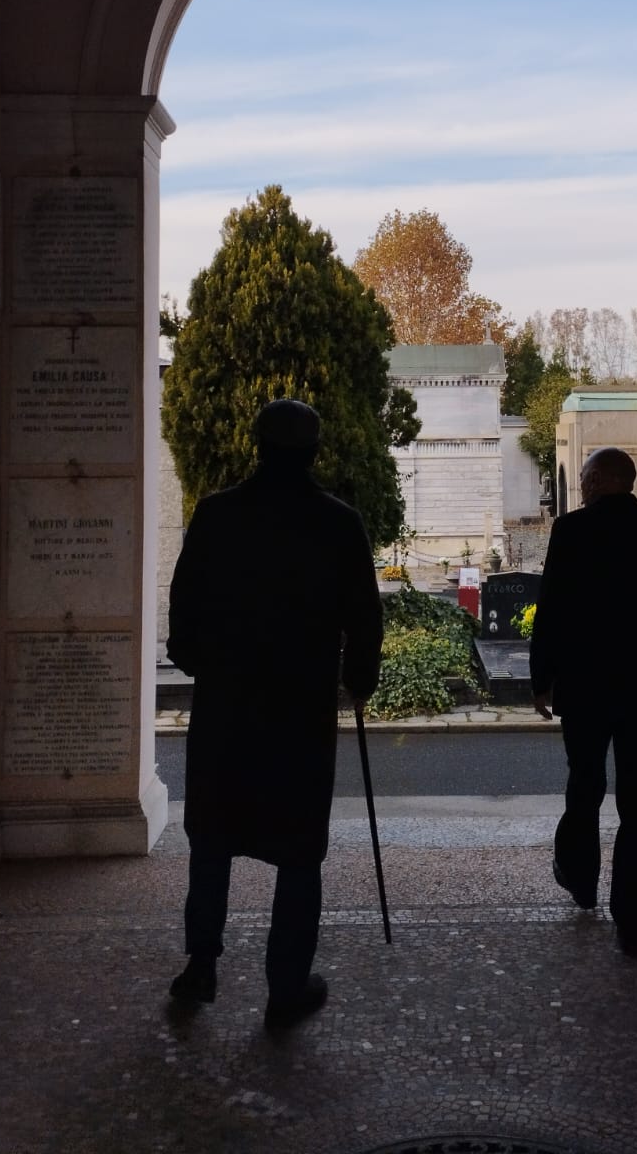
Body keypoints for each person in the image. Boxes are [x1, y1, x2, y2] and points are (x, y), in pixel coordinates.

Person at [165, 399, 383, 1028]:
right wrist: (359, 681)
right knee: (297, 848)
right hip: (299, 707)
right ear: (314, 452)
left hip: (228, 703)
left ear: (256, 445)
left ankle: (201, 964)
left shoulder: (216, 515)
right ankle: (285, 984)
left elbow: (185, 611)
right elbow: (364, 617)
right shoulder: (338, 523)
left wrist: (200, 660)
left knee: (211, 837)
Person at [529, 447, 637, 956]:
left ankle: (580, 877)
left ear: (606, 479)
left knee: (584, 783)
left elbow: (550, 607)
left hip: (585, 675)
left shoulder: (570, 531)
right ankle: (633, 916)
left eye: (589, 478)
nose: (585, 486)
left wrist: (540, 679)